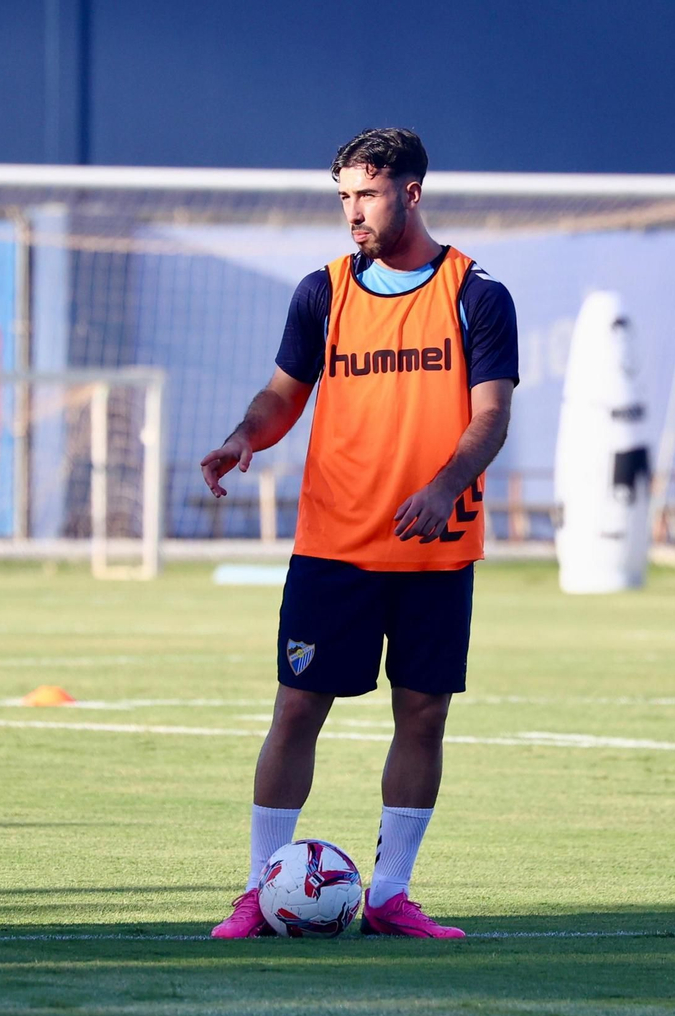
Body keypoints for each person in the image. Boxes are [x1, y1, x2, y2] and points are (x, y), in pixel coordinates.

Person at [200, 128, 517, 939]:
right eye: (343, 197)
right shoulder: (324, 291)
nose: (353, 213)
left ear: (411, 191)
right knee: (297, 708)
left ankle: (389, 894)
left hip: (434, 549)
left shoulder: (476, 295)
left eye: (367, 195)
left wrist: (447, 486)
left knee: (423, 715)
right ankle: (257, 889)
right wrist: (245, 434)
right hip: (334, 546)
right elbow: (282, 394)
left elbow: (490, 419)